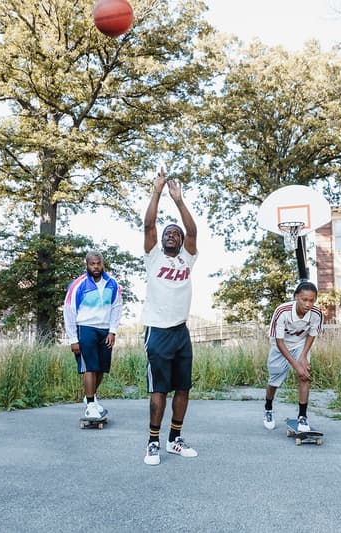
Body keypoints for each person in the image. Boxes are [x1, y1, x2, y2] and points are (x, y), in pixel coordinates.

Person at [141, 167, 199, 466]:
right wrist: (158, 191)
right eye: (168, 233)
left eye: (176, 233)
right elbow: (149, 223)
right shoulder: (153, 256)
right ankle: (153, 442)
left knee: (183, 387)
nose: (173, 236)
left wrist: (179, 200)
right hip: (158, 331)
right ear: (161, 240)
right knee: (159, 389)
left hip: (180, 332)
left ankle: (174, 439)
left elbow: (193, 231)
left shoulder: (187, 258)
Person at [63, 250, 123, 420]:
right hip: (86, 328)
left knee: (101, 368)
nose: (96, 267)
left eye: (98, 263)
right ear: (87, 265)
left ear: (102, 264)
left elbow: (116, 308)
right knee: (90, 367)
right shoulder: (78, 285)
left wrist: (113, 331)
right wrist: (73, 339)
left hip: (104, 330)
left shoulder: (112, 283)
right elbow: (69, 311)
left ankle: (91, 397)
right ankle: (90, 405)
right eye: (92, 264)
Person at [262, 281, 323, 432]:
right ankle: (268, 408)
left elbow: (311, 335)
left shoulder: (316, 313)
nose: (308, 304)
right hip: (281, 346)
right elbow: (279, 340)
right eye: (304, 299)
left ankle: (302, 416)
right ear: (296, 297)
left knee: (304, 376)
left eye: (312, 300)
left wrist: (302, 357)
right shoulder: (282, 311)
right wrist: (295, 365)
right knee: (274, 380)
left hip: (300, 344)